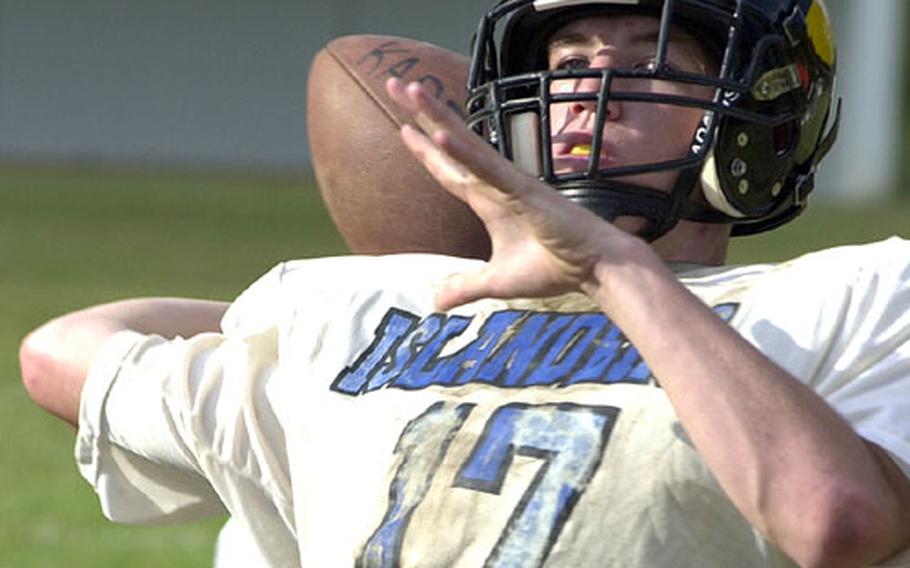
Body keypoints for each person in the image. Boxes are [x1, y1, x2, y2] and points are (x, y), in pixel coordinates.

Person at [19, 0, 910, 566]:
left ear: (765, 105)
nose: (595, 86)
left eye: (654, 60)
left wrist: (612, 269)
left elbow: (834, 522)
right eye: (568, 62)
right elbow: (63, 352)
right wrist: (451, 293)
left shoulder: (856, 295)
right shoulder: (357, 311)